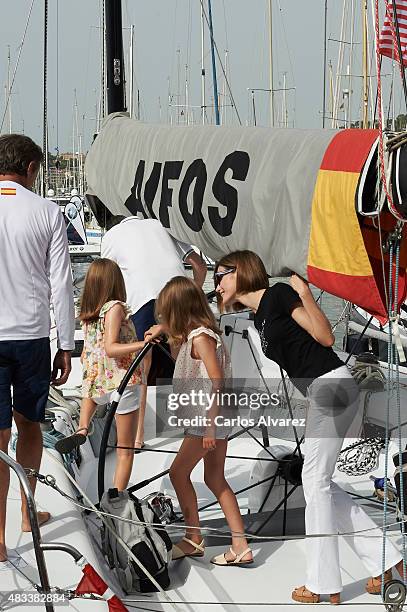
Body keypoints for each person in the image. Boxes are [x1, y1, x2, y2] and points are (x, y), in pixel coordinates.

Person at [214, 250, 405, 603]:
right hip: (323, 391)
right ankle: (388, 562)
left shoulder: (279, 295)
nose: (217, 283)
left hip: (332, 384)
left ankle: (322, 584)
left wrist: (302, 291)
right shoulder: (257, 319)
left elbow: (325, 338)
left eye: (220, 274)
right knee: (320, 484)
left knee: (314, 481)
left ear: (240, 271)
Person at [0, 134, 75, 562]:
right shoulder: (47, 211)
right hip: (30, 337)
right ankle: (28, 514)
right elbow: (61, 285)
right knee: (28, 426)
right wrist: (65, 344)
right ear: (31, 168)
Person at [145, 277, 253, 566]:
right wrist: (165, 333)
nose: (164, 319)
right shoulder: (199, 335)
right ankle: (240, 544)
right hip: (215, 417)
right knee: (214, 478)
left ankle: (193, 537)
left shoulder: (201, 338)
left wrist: (209, 427)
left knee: (178, 473)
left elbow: (217, 380)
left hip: (206, 420)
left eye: (166, 314)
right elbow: (182, 362)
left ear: (178, 311)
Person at [101, 214, 207, 447]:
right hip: (178, 296)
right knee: (183, 360)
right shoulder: (164, 223)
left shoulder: (111, 236)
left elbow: (106, 281)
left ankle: (137, 438)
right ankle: (192, 425)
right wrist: (194, 296)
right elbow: (200, 267)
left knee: (143, 368)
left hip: (143, 299)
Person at [55, 259, 146, 490]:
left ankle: (83, 427)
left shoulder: (88, 314)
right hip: (121, 382)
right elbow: (111, 348)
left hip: (96, 386)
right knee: (125, 451)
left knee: (90, 396)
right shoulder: (115, 308)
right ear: (116, 281)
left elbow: (93, 352)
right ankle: (117, 499)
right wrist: (144, 344)